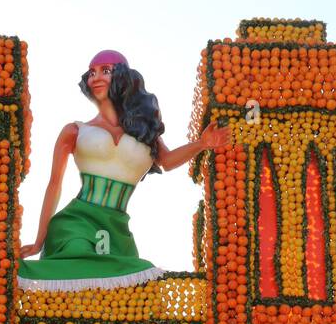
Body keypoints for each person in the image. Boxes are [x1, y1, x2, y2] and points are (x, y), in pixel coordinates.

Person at [17, 49, 230, 292]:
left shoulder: (145, 133)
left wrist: (202, 144)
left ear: (122, 77)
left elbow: (167, 161)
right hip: (74, 222)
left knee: (135, 290)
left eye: (105, 71)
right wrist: (39, 240)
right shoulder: (74, 131)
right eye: (92, 72)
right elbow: (54, 185)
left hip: (117, 229)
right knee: (81, 267)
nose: (95, 77)